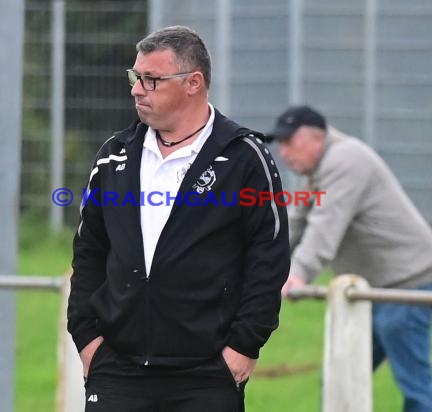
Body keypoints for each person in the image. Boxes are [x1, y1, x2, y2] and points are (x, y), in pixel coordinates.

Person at [67, 25, 290, 411]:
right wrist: (87, 340)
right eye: (135, 77)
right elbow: (89, 251)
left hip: (207, 374)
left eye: (151, 80)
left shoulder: (243, 156)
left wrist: (243, 346)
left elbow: (268, 257)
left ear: (193, 83)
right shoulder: (114, 154)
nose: (137, 89)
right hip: (117, 369)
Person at [270, 105, 432, 412]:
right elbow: (293, 224)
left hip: (406, 284)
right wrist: (260, 270)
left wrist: (298, 274)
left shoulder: (345, 161)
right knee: (339, 380)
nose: (283, 152)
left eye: (289, 143)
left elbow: (325, 225)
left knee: (414, 386)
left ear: (317, 137)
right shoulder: (316, 172)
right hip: (369, 291)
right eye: (280, 144)